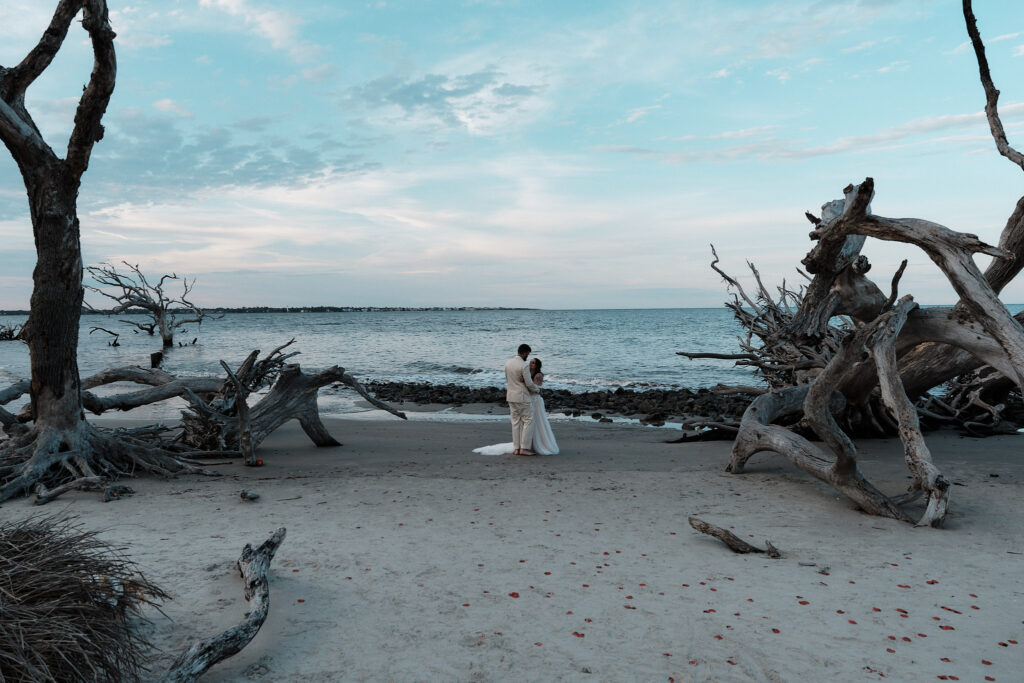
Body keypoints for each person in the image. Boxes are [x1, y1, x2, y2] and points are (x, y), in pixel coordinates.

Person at [474, 349, 559, 456]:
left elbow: (536, 387)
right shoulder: (526, 372)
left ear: (537, 365)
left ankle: (535, 444)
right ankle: (525, 445)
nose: (530, 364)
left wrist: (524, 381)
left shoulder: (538, 375)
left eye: (533, 363)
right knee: (526, 423)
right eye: (530, 362)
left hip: (535, 400)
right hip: (525, 399)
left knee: (536, 422)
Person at [504, 343, 540, 455]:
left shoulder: (508, 363)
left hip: (510, 396)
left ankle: (516, 448)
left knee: (515, 422)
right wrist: (537, 390)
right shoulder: (523, 365)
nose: (527, 357)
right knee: (529, 420)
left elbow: (508, 379)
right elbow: (529, 384)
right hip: (522, 397)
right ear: (524, 353)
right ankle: (524, 448)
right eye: (527, 354)